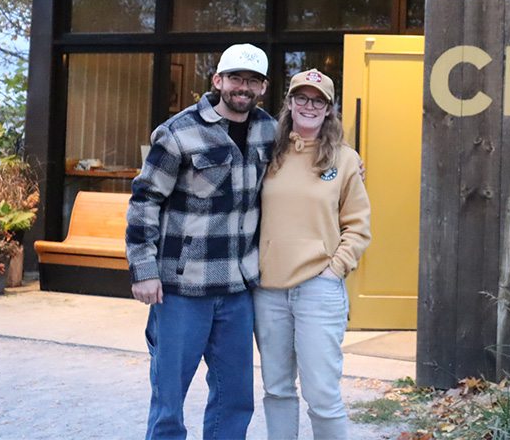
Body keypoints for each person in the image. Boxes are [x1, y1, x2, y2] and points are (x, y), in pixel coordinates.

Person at [126, 43, 275, 440]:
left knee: (235, 398)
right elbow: (144, 201)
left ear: (262, 87)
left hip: (239, 290)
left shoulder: (270, 131)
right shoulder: (178, 132)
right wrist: (143, 271)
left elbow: (313, 156)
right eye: (236, 79)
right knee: (169, 399)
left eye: (252, 80)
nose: (243, 87)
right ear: (218, 81)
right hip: (181, 289)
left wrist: (346, 167)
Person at [254, 69, 372, 440]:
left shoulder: (345, 160)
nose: (308, 105)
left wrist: (334, 270)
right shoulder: (265, 153)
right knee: (277, 389)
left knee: (322, 395)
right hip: (268, 291)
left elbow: (358, 225)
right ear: (289, 103)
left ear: (328, 109)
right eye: (301, 98)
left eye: (317, 100)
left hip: (318, 291)